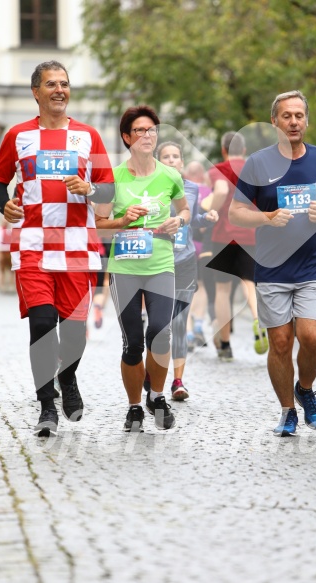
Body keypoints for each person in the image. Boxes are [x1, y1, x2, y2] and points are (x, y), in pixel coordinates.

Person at [0, 60, 115, 437]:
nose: (59, 89)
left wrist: (89, 189)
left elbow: (108, 188)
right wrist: (4, 205)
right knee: (43, 324)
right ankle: (46, 405)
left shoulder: (88, 136)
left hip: (77, 245)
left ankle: (68, 378)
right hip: (33, 245)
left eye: (64, 83)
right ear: (36, 92)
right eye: (51, 84)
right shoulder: (18, 135)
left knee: (74, 332)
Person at [229, 89, 316, 436]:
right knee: (280, 343)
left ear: (306, 120)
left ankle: (305, 389)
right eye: (286, 116)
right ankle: (287, 411)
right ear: (274, 122)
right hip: (273, 268)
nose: (293, 121)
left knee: (312, 336)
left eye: (299, 115)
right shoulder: (259, 163)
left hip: (312, 266)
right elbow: (236, 212)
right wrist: (266, 218)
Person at [95, 106, 190, 432]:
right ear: (127, 137)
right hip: (125, 269)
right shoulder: (114, 177)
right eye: (140, 130)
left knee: (160, 332)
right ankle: (135, 406)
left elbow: (185, 211)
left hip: (161, 266)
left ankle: (158, 396)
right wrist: (124, 220)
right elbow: (100, 225)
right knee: (134, 342)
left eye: (152, 130)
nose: (148, 136)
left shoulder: (170, 175)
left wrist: (177, 221)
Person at [150, 141, 218, 400]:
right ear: (158, 161)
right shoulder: (151, 187)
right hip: (156, 262)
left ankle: (178, 381)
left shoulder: (192, 189)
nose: (170, 160)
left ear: (181, 162)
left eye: (175, 156)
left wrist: (206, 219)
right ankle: (151, 372)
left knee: (179, 324)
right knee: (158, 326)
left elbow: (190, 221)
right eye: (165, 156)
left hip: (185, 260)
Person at [207, 131, 268, 361]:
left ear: (224, 150)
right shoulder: (255, 170)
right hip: (250, 235)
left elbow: (221, 191)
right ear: (243, 150)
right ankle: (257, 319)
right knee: (249, 283)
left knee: (223, 290)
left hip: (222, 234)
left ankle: (225, 345)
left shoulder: (216, 170)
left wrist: (209, 210)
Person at [185, 160, 215, 349]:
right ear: (203, 174)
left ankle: (187, 332)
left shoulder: (184, 189)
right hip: (203, 246)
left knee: (185, 287)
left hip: (184, 245)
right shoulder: (209, 193)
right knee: (202, 285)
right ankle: (198, 322)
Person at [0, 217, 14, 292]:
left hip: (9, 253)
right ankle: (2, 286)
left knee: (12, 271)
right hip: (2, 252)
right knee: (2, 270)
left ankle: (11, 286)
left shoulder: (10, 230)